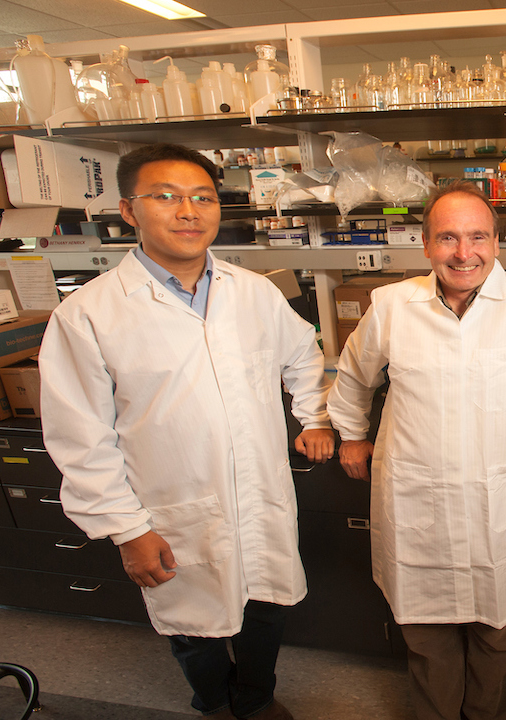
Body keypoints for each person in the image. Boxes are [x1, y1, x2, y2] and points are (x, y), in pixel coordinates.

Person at [39, 143, 334, 720]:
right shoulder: (90, 314)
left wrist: (312, 415)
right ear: (129, 211)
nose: (188, 211)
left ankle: (255, 699)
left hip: (259, 494)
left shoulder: (253, 292)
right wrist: (126, 530)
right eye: (166, 197)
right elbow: (81, 437)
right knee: (189, 619)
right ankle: (214, 702)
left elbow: (303, 353)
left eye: (202, 198)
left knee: (266, 607)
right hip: (169, 507)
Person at [326, 181, 506, 720]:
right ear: (426, 246)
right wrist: (353, 433)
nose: (464, 252)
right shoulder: (391, 306)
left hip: (505, 504)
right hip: (418, 500)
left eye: (477, 237)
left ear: (496, 243)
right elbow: (353, 376)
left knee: (499, 636)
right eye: (448, 238)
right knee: (427, 636)